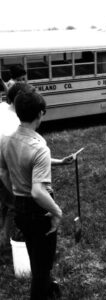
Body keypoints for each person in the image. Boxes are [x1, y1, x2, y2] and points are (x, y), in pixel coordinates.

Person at [0, 91, 74, 299]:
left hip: (21, 209)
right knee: (42, 269)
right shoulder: (39, 146)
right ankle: (43, 290)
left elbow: (4, 171)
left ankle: (50, 287)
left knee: (36, 254)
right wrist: (57, 212)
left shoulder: (7, 139)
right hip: (38, 210)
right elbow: (38, 191)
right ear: (41, 113)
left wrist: (60, 161)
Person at [0, 83, 35, 249]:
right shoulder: (15, 124)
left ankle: (3, 238)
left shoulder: (2, 107)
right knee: (15, 205)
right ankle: (9, 244)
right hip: (4, 170)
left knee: (4, 205)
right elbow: (9, 164)